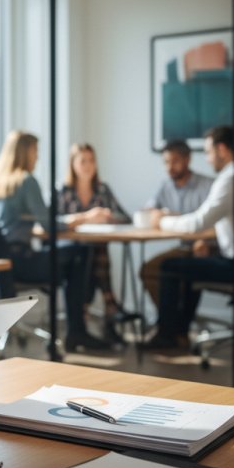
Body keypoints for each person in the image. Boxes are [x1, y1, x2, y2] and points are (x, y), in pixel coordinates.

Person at [148, 125, 234, 349]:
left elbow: (197, 223)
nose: (207, 159)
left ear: (222, 149)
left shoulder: (231, 178)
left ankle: (167, 335)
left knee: (169, 266)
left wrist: (162, 221)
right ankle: (180, 333)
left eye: (208, 152)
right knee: (191, 263)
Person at [0, 130, 111, 351]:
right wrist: (84, 218)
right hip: (19, 262)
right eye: (35, 151)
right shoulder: (26, 181)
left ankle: (79, 328)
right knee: (80, 253)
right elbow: (48, 224)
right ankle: (77, 331)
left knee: (71, 255)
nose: (38, 157)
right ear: (25, 153)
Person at [56, 143, 131, 342]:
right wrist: (85, 218)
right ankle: (110, 305)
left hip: (93, 249)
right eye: (83, 161)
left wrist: (108, 217)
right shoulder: (63, 191)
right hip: (69, 251)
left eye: (91, 160)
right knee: (92, 254)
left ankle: (82, 315)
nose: (88, 165)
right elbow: (52, 221)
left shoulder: (102, 190)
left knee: (95, 251)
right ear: (72, 164)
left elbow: (125, 217)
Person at [139, 139, 214, 306]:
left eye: (175, 161)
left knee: (175, 269)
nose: (169, 167)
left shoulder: (208, 185)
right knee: (149, 270)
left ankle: (176, 318)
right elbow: (149, 209)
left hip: (208, 245)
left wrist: (205, 240)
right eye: (166, 162)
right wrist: (155, 213)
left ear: (187, 159)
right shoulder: (166, 186)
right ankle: (169, 317)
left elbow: (217, 221)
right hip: (184, 247)